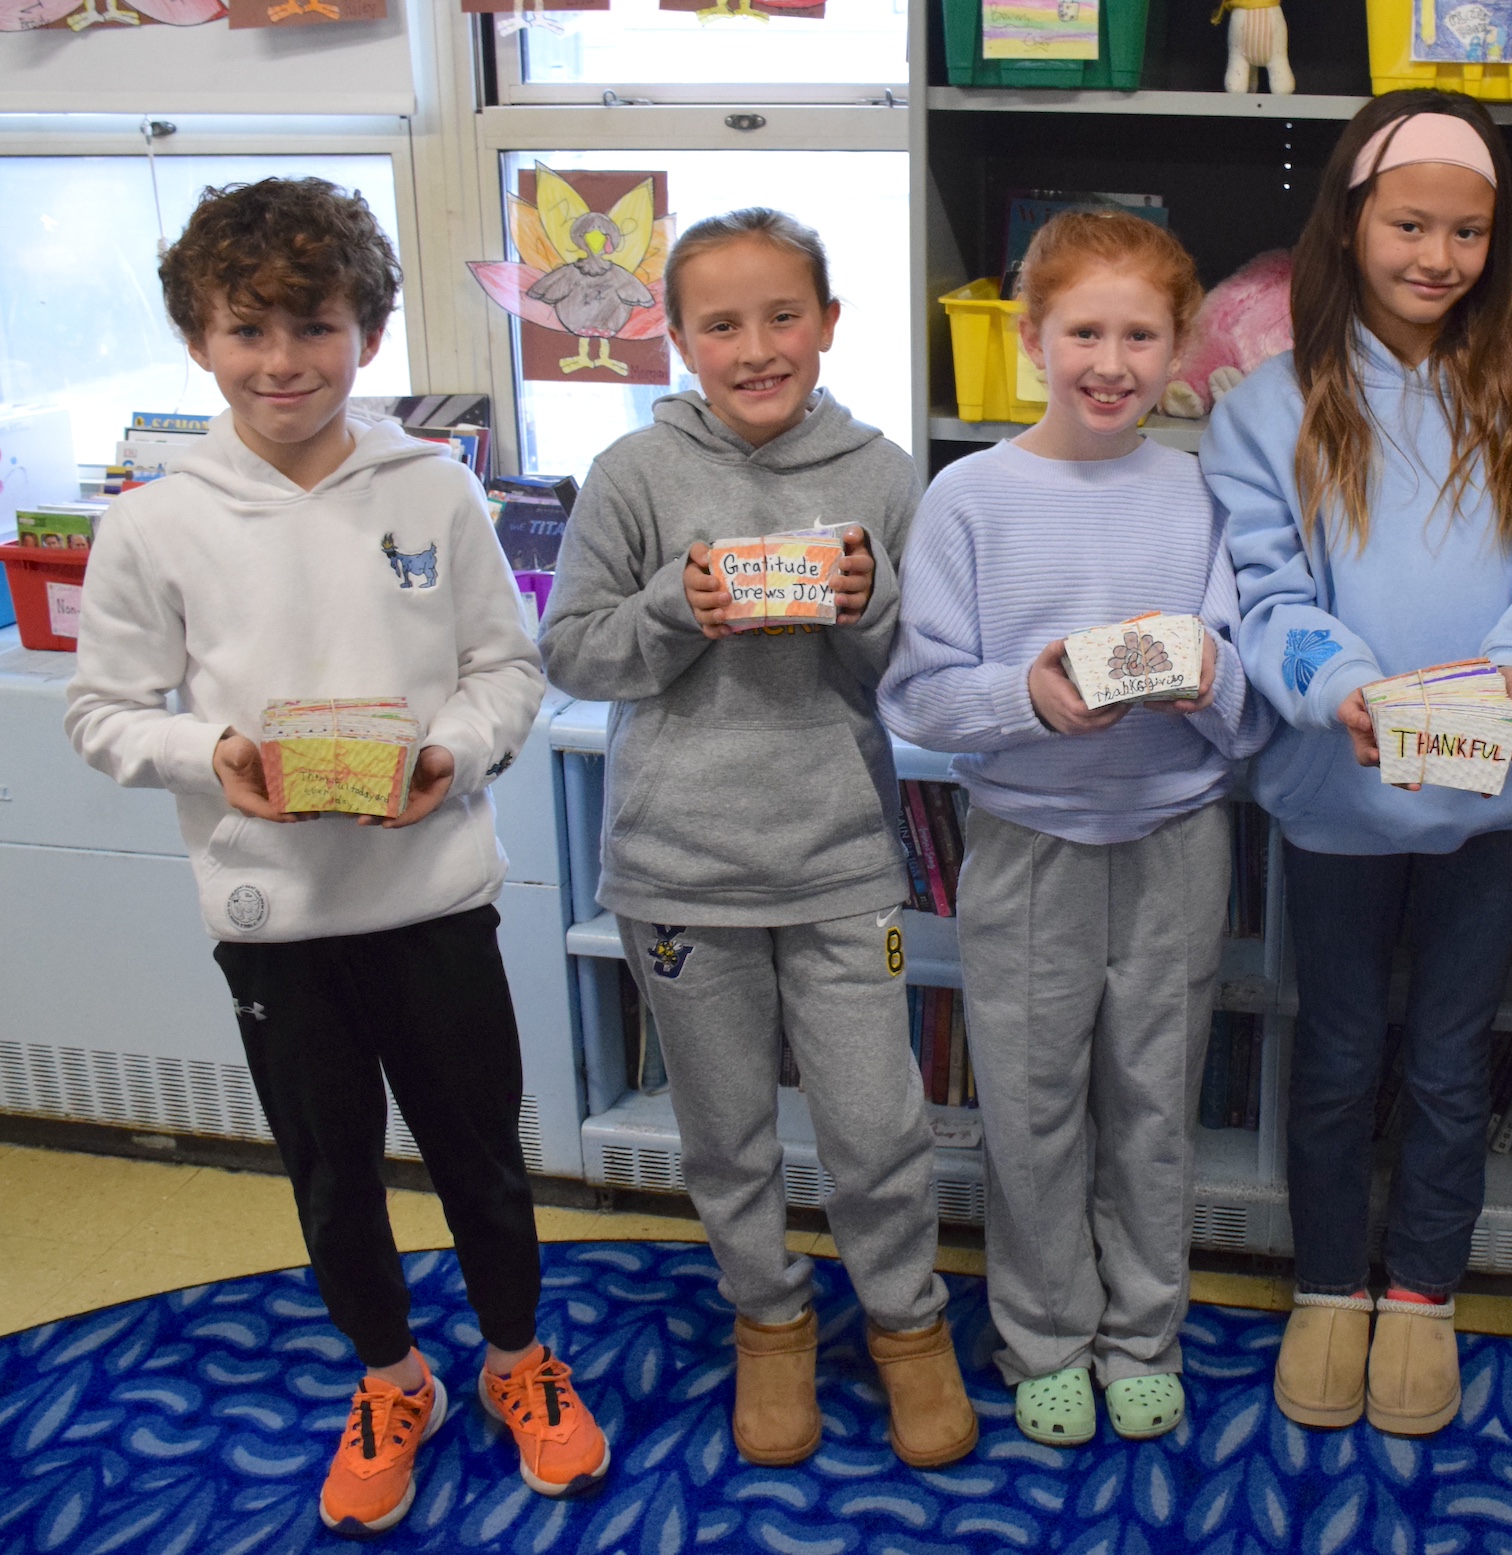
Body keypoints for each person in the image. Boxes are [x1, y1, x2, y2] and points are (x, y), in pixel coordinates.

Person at [64, 177, 608, 1538]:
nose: (282, 360)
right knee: (331, 1168)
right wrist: (214, 755)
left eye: (313, 326)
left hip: (432, 895)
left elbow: (506, 666)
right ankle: (389, 1375)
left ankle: (514, 1357)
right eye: (247, 330)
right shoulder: (153, 522)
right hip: (271, 910)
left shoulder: (432, 491)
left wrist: (453, 754)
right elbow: (104, 711)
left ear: (367, 331)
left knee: (482, 1152)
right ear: (199, 338)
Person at [1205, 89, 1512, 1436]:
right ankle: (1330, 1282)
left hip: (1495, 797)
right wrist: (1344, 687)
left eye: (1466, 230)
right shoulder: (1268, 404)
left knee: (1449, 1058)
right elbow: (1264, 595)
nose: (1436, 255)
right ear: (1350, 219)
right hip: (1338, 793)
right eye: (1409, 225)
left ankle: (1422, 1290)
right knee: (1333, 1052)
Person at [539, 207, 976, 1473]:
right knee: (725, 1129)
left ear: (830, 324)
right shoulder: (635, 474)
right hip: (679, 865)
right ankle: (769, 1322)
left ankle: (907, 1325)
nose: (757, 346)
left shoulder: (887, 471)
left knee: (876, 1123)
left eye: (784, 315)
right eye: (721, 323)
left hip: (842, 859)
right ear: (676, 338)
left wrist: (870, 603)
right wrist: (678, 605)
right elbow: (573, 649)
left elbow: (922, 673)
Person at [879, 209, 1274, 1447]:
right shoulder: (969, 498)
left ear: (1182, 347)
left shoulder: (1207, 494)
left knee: (1156, 1103)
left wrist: (1203, 677)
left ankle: (1142, 1331)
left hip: (1175, 844)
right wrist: (1028, 699)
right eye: (1085, 330)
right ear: (1030, 337)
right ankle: (1046, 1334)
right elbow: (921, 694)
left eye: (1142, 334)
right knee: (1033, 1106)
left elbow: (1252, 709)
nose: (1113, 361)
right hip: (1028, 847)